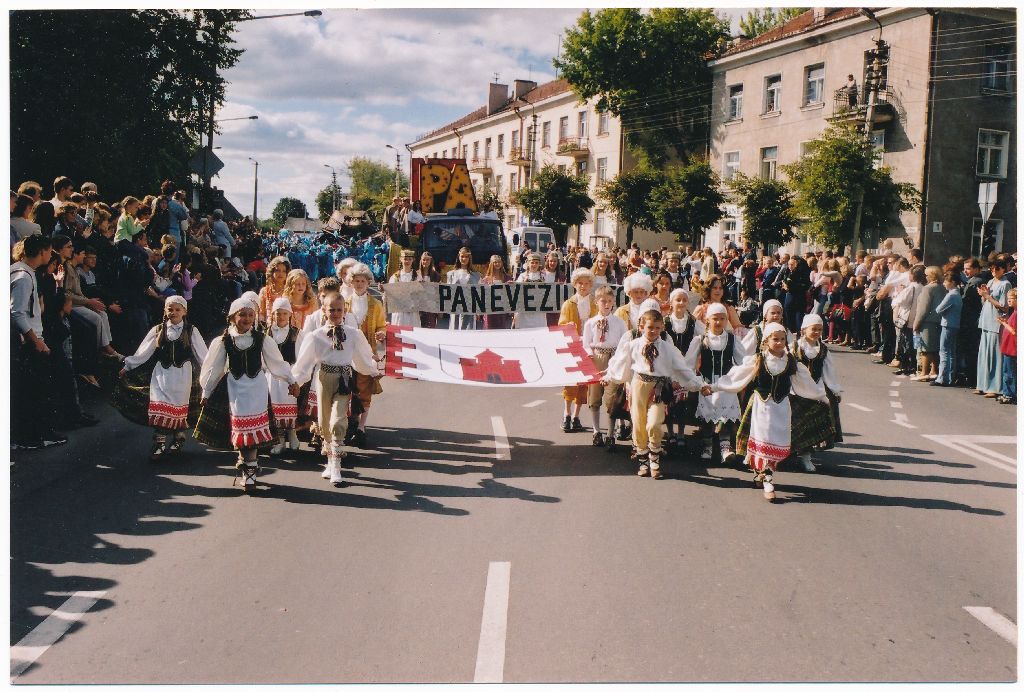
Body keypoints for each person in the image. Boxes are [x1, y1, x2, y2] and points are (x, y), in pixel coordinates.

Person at [709, 323, 828, 502]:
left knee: (775, 441)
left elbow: (806, 383)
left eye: (782, 339)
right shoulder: (758, 359)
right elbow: (737, 376)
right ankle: (768, 480)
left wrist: (821, 396)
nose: (779, 342)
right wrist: (713, 386)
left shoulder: (791, 362)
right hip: (762, 407)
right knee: (764, 440)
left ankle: (761, 473)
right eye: (775, 339)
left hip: (781, 408)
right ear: (766, 340)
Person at [196, 298, 298, 491]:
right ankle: (246, 462)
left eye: (250, 315)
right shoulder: (224, 341)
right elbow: (213, 368)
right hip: (235, 390)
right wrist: (206, 391)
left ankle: (249, 467)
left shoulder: (262, 339)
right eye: (242, 314)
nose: (247, 318)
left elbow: (276, 363)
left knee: (253, 431)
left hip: (256, 390)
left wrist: (291, 380)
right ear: (233, 317)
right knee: (242, 431)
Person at [292, 293, 383, 487]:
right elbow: (304, 363)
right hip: (324, 378)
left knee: (337, 421)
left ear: (345, 311)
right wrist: (295, 382)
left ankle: (336, 466)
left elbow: (362, 358)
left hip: (343, 379)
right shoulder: (315, 336)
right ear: (324, 310)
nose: (335, 313)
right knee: (324, 423)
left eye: (339, 310)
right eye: (331, 309)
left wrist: (373, 371)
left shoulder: (353, 334)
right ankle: (329, 461)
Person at [603, 309, 704, 479]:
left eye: (657, 328)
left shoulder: (668, 348)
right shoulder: (633, 345)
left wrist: (699, 385)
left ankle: (655, 457)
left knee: (654, 423)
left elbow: (682, 369)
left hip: (659, 387)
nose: (653, 331)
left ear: (662, 327)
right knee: (638, 422)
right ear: (642, 326)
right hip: (639, 385)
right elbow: (620, 363)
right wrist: (608, 376)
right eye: (650, 327)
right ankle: (643, 460)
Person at [119, 295, 208, 459]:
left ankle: (178, 437)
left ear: (184, 312)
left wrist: (211, 373)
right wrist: (128, 366)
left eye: (177, 310)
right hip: (161, 374)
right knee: (161, 406)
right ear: (165, 311)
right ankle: (159, 443)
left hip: (182, 375)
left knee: (176, 408)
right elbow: (143, 352)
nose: (173, 313)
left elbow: (203, 355)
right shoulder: (158, 330)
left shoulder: (191, 330)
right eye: (170, 309)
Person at [694, 302, 751, 463]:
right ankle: (707, 446)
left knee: (726, 417)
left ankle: (725, 446)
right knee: (707, 417)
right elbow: (689, 363)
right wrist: (697, 383)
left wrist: (741, 377)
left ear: (727, 320)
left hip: (726, 384)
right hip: (706, 384)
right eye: (715, 319)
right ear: (708, 320)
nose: (718, 322)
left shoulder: (732, 339)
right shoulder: (701, 339)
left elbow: (743, 361)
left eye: (722, 318)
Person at [789, 313, 841, 471]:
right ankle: (788, 453)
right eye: (814, 329)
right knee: (794, 424)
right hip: (796, 391)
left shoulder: (823, 350)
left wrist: (834, 390)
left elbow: (829, 371)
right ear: (804, 329)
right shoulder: (795, 347)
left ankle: (806, 456)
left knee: (810, 426)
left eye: (820, 329)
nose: (817, 332)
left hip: (816, 391)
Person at [344, 262, 386, 448]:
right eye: (356, 280)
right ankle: (348, 425)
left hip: (368, 353)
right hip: (346, 354)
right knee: (347, 389)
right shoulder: (344, 303)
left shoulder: (376, 304)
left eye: (362, 281)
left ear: (368, 283)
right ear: (351, 282)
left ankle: (361, 427)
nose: (359, 284)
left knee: (364, 390)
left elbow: (382, 325)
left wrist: (381, 333)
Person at [582, 285, 628, 449]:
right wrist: (589, 353)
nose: (607, 304)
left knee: (611, 398)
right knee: (594, 397)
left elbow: (624, 341)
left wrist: (620, 358)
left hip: (613, 358)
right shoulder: (590, 323)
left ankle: (610, 434)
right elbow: (586, 343)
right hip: (597, 358)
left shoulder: (619, 322)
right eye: (603, 301)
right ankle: (596, 431)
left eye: (609, 301)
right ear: (596, 302)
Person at [558, 268, 598, 433]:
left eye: (587, 283)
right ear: (575, 284)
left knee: (584, 384)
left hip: (589, 347)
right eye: (580, 283)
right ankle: (566, 413)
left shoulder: (595, 303)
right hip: (574, 347)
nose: (583, 286)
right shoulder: (569, 304)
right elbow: (562, 324)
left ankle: (576, 416)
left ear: (591, 285)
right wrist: (569, 327)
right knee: (571, 382)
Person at [265, 297, 304, 456]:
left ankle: (292, 433)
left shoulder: (296, 333)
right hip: (272, 376)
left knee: (290, 403)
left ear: (289, 314)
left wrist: (296, 376)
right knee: (274, 405)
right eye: (277, 313)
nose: (280, 317)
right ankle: (279, 438)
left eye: (284, 313)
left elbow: (301, 356)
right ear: (273, 315)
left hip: (290, 373)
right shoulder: (266, 333)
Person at [976, 258, 1011, 397]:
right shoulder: (991, 282)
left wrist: (987, 296)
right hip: (986, 320)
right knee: (984, 354)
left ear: (1003, 270)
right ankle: (982, 385)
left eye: (997, 269)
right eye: (992, 269)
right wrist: (983, 295)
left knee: (994, 355)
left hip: (996, 322)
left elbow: (1004, 306)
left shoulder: (1005, 284)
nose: (994, 271)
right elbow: (985, 302)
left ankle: (995, 387)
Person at [912, 266, 944, 382]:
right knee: (935, 348)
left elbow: (923, 309)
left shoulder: (928, 289)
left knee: (925, 348)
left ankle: (924, 372)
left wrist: (916, 323)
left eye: (927, 275)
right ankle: (934, 371)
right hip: (938, 321)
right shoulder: (942, 287)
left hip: (928, 321)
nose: (925, 277)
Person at [933, 271, 963, 387]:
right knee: (951, 352)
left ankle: (942, 378)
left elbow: (938, 309)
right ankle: (950, 377)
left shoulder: (951, 295)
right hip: (955, 324)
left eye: (946, 281)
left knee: (944, 351)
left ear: (953, 282)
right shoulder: (957, 293)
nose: (944, 283)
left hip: (947, 324)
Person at [513, 252, 549, 329]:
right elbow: (516, 291)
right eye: (532, 263)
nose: (534, 265)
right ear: (528, 264)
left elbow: (550, 290)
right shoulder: (522, 276)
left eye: (536, 263)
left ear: (539, 264)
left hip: (538, 309)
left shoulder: (544, 276)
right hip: (524, 309)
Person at [448, 247, 480, 330]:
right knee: (455, 329)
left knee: (468, 330)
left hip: (469, 306)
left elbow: (479, 292)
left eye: (466, 257)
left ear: (470, 258)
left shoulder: (476, 275)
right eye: (462, 256)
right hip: (455, 306)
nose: (464, 259)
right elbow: (447, 291)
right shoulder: (451, 274)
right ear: (459, 257)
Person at [388, 249, 421, 327]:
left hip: (412, 312)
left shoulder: (418, 277)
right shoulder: (395, 277)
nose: (407, 261)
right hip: (399, 312)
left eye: (409, 259)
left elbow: (421, 294)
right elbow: (390, 295)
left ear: (413, 260)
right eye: (405, 259)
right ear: (401, 259)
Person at [480, 254, 513, 329]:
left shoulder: (507, 277)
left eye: (499, 262)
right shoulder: (486, 279)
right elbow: (482, 294)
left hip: (502, 308)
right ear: (491, 264)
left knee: (501, 328)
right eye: (495, 262)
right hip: (490, 309)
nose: (497, 264)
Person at [996, 289, 1016, 404]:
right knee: (1006, 371)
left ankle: (1010, 394)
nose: (1009, 301)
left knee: (1009, 372)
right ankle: (1006, 393)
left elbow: (1014, 331)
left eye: (1011, 298)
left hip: (1012, 347)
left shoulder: (1017, 313)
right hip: (1008, 347)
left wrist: (1004, 323)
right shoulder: (1014, 312)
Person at [258, 256, 290, 324]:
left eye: (284, 271)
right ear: (272, 272)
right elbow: (261, 313)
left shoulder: (290, 291)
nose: (280, 273)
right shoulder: (264, 291)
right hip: (268, 329)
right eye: (277, 270)